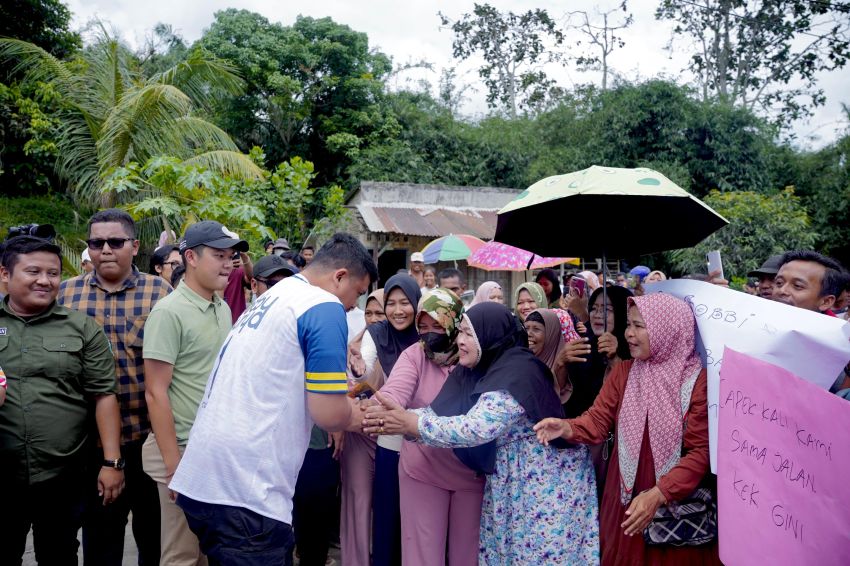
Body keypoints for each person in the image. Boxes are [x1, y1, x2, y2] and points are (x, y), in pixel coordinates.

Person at [169, 233, 377, 566]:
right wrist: (361, 414)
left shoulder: (277, 294)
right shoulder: (323, 306)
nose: (354, 305)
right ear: (339, 277)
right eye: (357, 292)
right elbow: (329, 413)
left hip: (205, 480)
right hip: (247, 495)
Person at [363, 302, 599, 564]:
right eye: (460, 332)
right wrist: (400, 417)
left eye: (467, 334)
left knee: (533, 556)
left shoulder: (516, 373)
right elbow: (445, 412)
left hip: (542, 487)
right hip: (513, 481)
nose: (459, 341)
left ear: (489, 336)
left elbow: (475, 427)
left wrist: (411, 423)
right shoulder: (480, 368)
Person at [535, 293, 719, 566]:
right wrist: (566, 426)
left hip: (673, 503)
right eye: (629, 324)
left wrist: (659, 494)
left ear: (667, 330)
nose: (629, 334)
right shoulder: (624, 372)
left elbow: (701, 452)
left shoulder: (696, 381)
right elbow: (597, 422)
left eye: (639, 326)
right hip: (625, 495)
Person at [0, 236, 125, 565]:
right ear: (5, 275)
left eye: (53, 273)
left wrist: (112, 463)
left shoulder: (82, 328)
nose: (45, 280)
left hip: (63, 475)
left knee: (59, 555)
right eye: (33, 271)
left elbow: (104, 395)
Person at [59, 209, 172, 566]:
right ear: (88, 248)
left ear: (134, 246)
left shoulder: (161, 293)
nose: (105, 249)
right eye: (97, 243)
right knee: (100, 539)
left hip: (148, 437)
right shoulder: (66, 295)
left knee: (154, 539)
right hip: (90, 444)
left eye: (115, 242)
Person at [142, 221, 245, 566]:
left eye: (231, 256)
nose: (228, 264)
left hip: (212, 448)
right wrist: (175, 468)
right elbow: (155, 393)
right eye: (219, 256)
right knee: (181, 555)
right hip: (181, 451)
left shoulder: (222, 307)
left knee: (206, 551)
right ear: (191, 258)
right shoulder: (169, 313)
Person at [368, 288, 485, 565]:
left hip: (470, 471)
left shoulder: (476, 356)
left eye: (438, 325)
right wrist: (380, 407)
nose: (430, 333)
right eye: (423, 326)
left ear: (455, 323)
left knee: (467, 555)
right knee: (421, 554)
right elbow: (396, 390)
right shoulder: (415, 355)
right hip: (422, 469)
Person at [349, 274, 422, 566]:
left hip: (427, 439)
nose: (397, 310)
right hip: (391, 439)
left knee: (418, 521)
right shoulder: (377, 332)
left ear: (417, 304)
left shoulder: (428, 332)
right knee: (387, 517)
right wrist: (358, 370)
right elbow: (365, 367)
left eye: (405, 302)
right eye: (390, 303)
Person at [340, 288, 384, 566]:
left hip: (392, 436)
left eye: (380, 312)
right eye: (369, 312)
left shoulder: (407, 345)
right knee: (358, 502)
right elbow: (345, 383)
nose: (374, 318)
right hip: (359, 432)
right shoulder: (356, 345)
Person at [772, 250, 845, 314]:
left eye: (797, 286)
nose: (782, 291)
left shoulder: (839, 329)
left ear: (826, 302)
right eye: (779, 283)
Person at [524, 308, 572, 403]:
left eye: (536, 329)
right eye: (526, 328)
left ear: (552, 334)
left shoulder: (568, 368)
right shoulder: (521, 364)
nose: (528, 334)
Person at [222, 248, 253, 324]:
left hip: (237, 322)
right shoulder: (212, 269)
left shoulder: (239, 270)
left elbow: (252, 278)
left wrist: (245, 258)